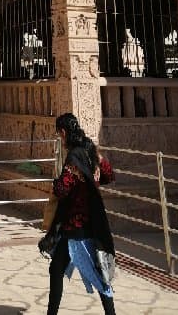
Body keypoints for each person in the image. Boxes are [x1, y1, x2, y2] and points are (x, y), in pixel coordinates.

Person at [46, 112, 117, 315]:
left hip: (77, 227)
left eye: (59, 134)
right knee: (57, 269)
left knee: (98, 276)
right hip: (89, 223)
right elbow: (108, 175)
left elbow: (63, 188)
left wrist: (55, 183)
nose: (60, 139)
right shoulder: (89, 150)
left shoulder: (74, 156)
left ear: (63, 132)